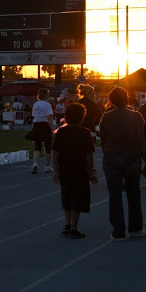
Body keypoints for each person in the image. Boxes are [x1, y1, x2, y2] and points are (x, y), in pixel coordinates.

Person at [98, 87, 146, 241]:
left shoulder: (106, 117)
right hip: (132, 157)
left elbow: (104, 140)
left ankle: (118, 231)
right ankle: (135, 228)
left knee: (115, 195)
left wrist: (108, 154)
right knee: (133, 193)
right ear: (127, 99)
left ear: (111, 101)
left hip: (112, 157)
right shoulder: (136, 116)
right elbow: (141, 141)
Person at [52, 102, 98, 239]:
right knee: (77, 197)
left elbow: (55, 153)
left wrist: (55, 170)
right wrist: (91, 172)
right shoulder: (85, 132)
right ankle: (74, 227)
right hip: (79, 169)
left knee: (66, 194)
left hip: (64, 168)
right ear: (81, 117)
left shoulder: (60, 132)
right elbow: (88, 155)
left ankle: (67, 224)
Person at [29, 88, 54, 174]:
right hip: (45, 125)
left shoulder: (35, 104)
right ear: (45, 95)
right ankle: (47, 166)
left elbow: (34, 116)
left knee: (37, 145)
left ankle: (35, 163)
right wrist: (53, 130)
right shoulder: (48, 105)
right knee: (47, 145)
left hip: (36, 124)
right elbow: (49, 118)